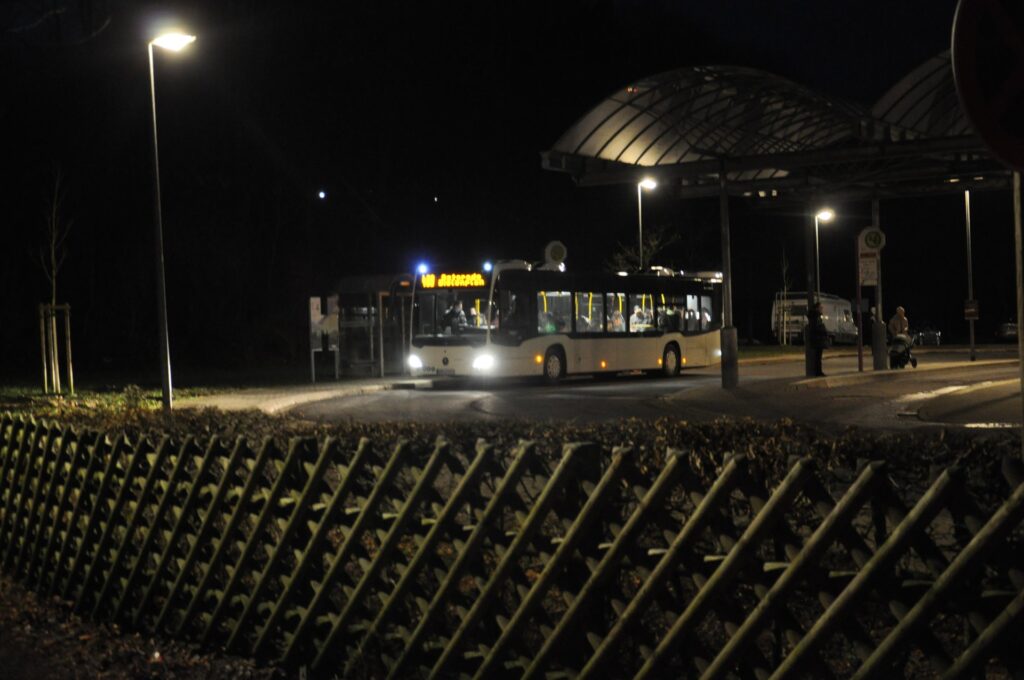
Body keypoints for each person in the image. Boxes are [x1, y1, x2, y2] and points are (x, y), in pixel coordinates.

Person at [809, 302, 829, 377]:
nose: (822, 309)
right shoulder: (816, 317)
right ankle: (818, 372)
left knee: (818, 357)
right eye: (820, 308)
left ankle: (818, 371)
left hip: (817, 339)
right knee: (817, 357)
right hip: (817, 339)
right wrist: (823, 331)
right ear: (817, 308)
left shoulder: (815, 317)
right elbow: (816, 328)